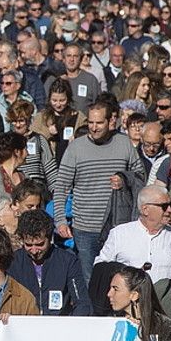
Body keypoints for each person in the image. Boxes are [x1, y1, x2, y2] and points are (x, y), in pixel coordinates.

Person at [53, 100, 146, 284]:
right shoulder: (76, 148)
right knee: (90, 279)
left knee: (119, 279)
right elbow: (61, 186)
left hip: (117, 226)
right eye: (91, 122)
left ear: (110, 122)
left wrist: (124, 178)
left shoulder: (124, 143)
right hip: (85, 227)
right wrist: (61, 220)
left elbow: (141, 175)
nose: (94, 128)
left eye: (99, 123)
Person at [95, 186, 171, 282]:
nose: (170, 210)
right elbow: (101, 266)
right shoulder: (119, 234)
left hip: (166, 296)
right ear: (145, 209)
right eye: (164, 206)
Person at [9, 208, 88, 316]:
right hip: (25, 324)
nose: (34, 250)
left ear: (50, 239)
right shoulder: (13, 261)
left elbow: (82, 303)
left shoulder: (68, 261)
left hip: (57, 325)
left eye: (40, 244)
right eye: (28, 245)